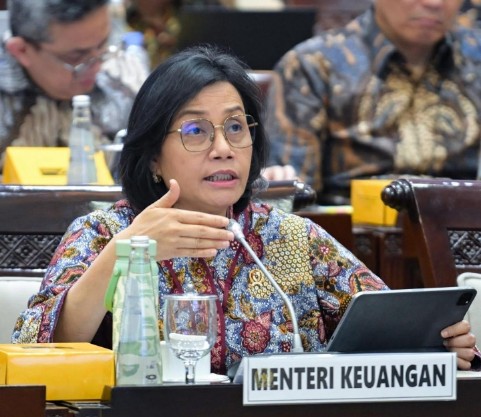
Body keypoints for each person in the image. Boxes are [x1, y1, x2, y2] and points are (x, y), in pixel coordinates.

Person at [12, 46, 478, 373]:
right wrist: (125, 252)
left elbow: (388, 325)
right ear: (153, 156)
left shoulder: (293, 238)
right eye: (196, 131)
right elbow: (36, 347)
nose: (223, 148)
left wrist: (435, 344)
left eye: (236, 127)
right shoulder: (103, 232)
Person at [264, 0, 481, 205]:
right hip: (346, 224)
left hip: (464, 220)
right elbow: (294, 193)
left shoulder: (476, 57)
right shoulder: (312, 65)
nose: (434, 3)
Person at [0, 0, 147, 167]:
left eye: (102, 45)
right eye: (76, 57)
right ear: (21, 50)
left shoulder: (127, 77)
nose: (97, 66)